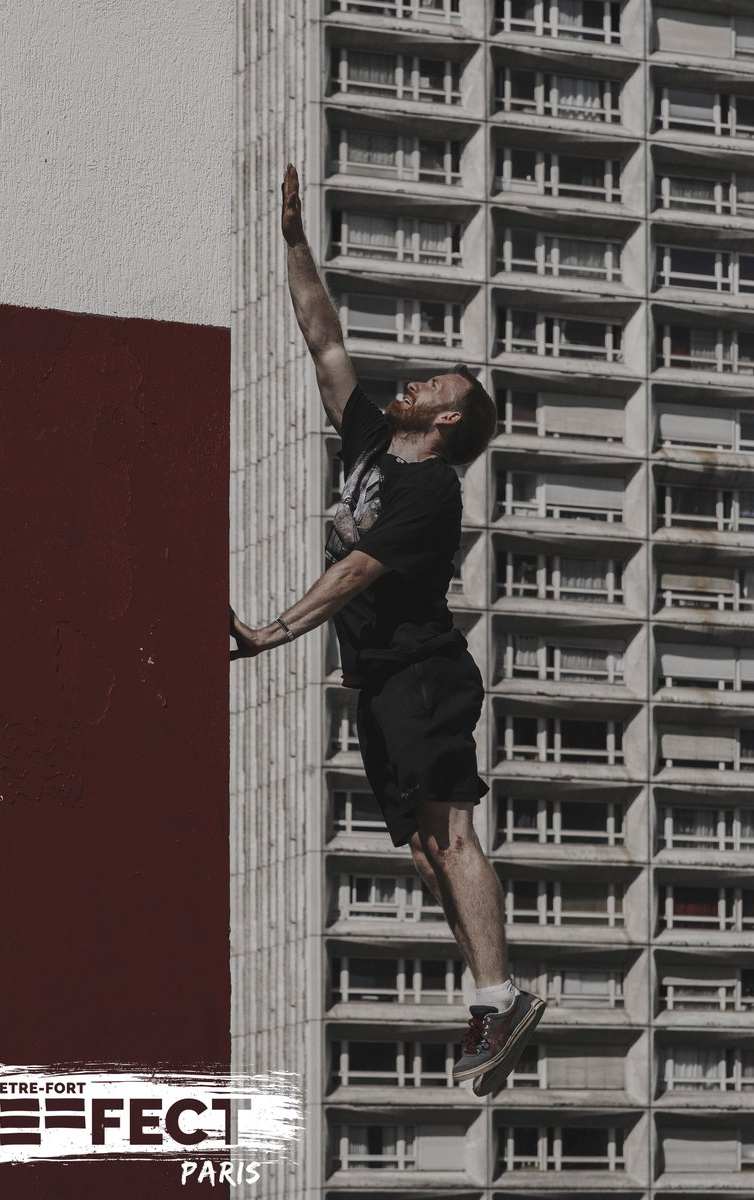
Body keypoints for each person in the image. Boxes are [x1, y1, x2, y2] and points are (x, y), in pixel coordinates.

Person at [230, 163, 545, 1094]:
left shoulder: (430, 492)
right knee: (421, 847)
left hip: (421, 673)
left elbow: (354, 573)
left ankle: (501, 993)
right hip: (377, 682)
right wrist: (293, 241)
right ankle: (492, 999)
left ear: (448, 418)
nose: (411, 381)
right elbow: (324, 341)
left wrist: (268, 634)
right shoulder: (371, 441)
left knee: (448, 832)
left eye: (432, 383)